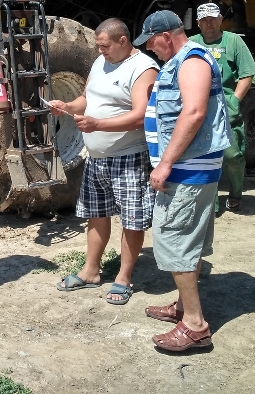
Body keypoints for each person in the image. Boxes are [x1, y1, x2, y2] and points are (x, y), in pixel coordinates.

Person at [133, 10, 231, 352]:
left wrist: (166, 163)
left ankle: (194, 326)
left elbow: (194, 112)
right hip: (186, 168)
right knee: (187, 241)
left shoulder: (192, 60)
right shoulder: (182, 60)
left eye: (151, 42)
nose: (151, 49)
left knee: (175, 239)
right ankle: (182, 307)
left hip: (187, 170)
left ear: (166, 35)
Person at [50, 18, 158, 305]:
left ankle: (123, 277)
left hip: (129, 159)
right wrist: (68, 107)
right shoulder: (101, 62)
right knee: (96, 216)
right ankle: (91, 271)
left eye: (105, 46)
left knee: (131, 221)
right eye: (98, 47)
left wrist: (98, 125)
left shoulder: (143, 68)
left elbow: (141, 115)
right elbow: (87, 97)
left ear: (123, 40)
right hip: (97, 159)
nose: (101, 52)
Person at [189, 3, 255, 213]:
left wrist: (235, 100)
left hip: (226, 108)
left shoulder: (233, 41)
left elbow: (247, 73)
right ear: (198, 23)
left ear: (220, 19)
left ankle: (236, 191)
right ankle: (212, 202)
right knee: (205, 156)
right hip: (198, 108)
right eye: (204, 20)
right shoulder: (192, 43)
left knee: (232, 156)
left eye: (212, 19)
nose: (208, 23)